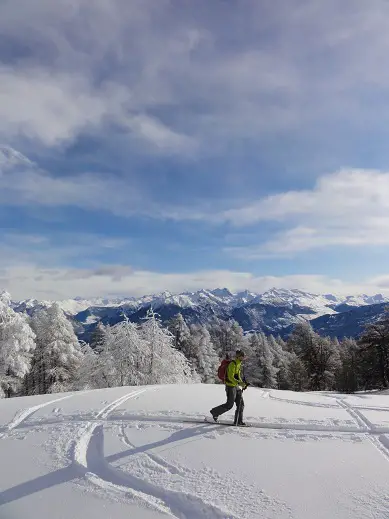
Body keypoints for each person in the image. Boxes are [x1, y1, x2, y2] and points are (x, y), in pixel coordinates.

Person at [210, 349, 247, 425]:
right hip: (230, 386)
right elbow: (230, 377)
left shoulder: (239, 364)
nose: (244, 358)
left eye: (244, 356)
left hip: (236, 386)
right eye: (242, 356)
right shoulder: (232, 364)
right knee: (229, 405)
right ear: (238, 357)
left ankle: (238, 421)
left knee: (241, 404)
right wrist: (239, 383)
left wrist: (242, 383)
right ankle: (214, 412)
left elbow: (237, 376)